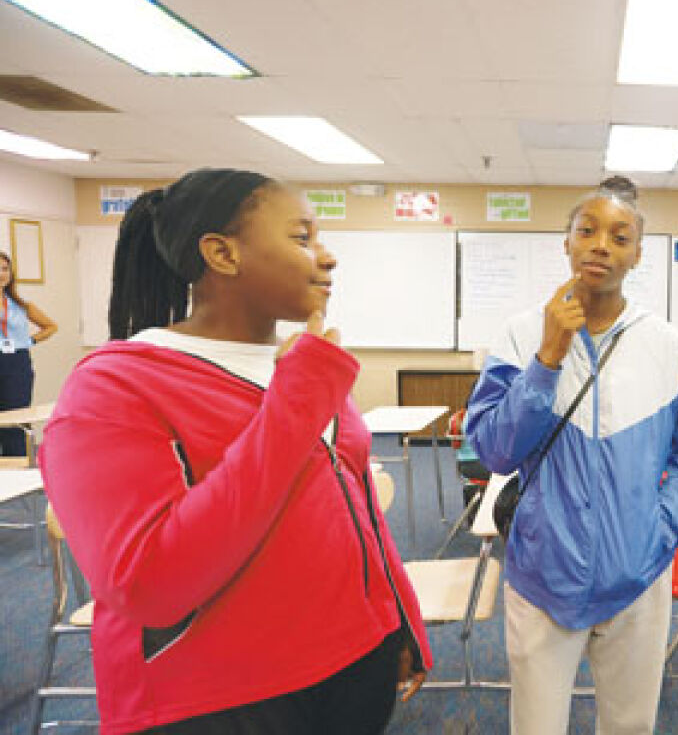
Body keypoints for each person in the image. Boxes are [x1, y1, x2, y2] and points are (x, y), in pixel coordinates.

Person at [39, 169, 430, 734]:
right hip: (224, 700)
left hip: (352, 664)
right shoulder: (113, 386)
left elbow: (355, 505)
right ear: (222, 254)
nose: (327, 257)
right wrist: (298, 398)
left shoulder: (302, 360)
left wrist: (397, 619)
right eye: (301, 238)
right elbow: (147, 583)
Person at [466, 177, 678, 734]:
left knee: (630, 726)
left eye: (619, 236)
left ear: (637, 254)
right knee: (535, 726)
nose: (601, 244)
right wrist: (547, 359)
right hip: (543, 574)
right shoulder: (519, 334)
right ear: (567, 242)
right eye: (588, 230)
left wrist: (661, 528)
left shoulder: (666, 344)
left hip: (639, 573)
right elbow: (493, 452)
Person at [0, 250, 56, 456]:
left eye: (5, 269)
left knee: (16, 420)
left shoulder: (21, 305)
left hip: (16, 363)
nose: (1, 274)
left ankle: (19, 468)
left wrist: (29, 340)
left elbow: (50, 326)